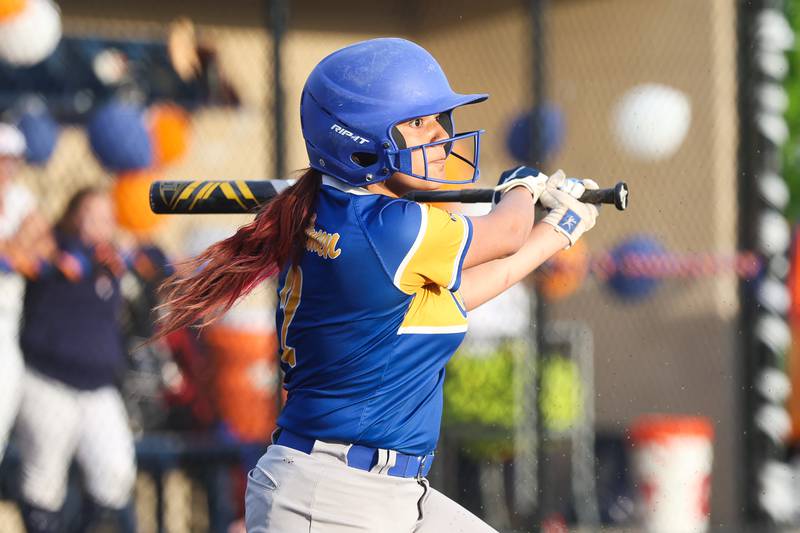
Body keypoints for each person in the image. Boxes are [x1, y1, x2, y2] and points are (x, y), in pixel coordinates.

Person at [157, 38, 600, 532]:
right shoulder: (388, 228)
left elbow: (455, 298)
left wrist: (557, 231)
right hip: (330, 500)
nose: (438, 135)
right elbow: (507, 232)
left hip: (387, 491)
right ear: (358, 142)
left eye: (435, 119)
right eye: (415, 122)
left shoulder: (338, 213)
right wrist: (522, 184)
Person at [15, 187, 136, 533]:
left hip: (98, 387)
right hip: (47, 380)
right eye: (89, 214)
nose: (97, 224)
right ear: (72, 214)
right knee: (44, 483)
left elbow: (152, 260)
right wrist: (50, 250)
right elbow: (27, 251)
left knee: (115, 474)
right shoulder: (53, 248)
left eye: (104, 217)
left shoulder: (113, 261)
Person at [0, 123, 53, 465]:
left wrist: (15, 250)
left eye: (14, 160)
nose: (9, 167)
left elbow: (44, 249)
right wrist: (19, 249)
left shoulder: (20, 198)